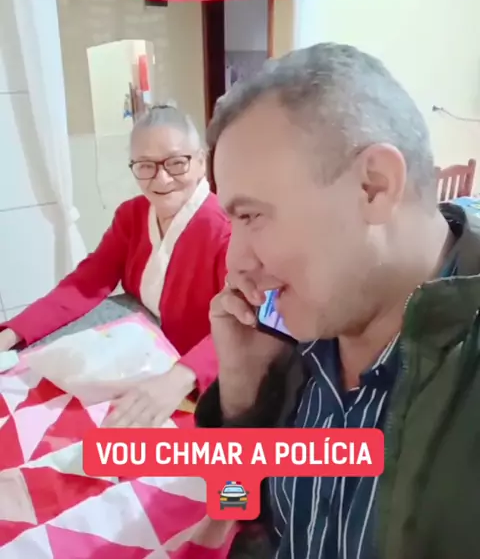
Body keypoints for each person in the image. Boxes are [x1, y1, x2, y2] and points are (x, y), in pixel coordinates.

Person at [195, 43, 480, 559]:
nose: (235, 263)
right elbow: (237, 507)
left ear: (374, 187)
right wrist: (240, 395)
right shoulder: (301, 338)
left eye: (253, 216)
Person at [0, 104, 230, 426]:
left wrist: (182, 375)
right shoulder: (132, 216)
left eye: (177, 162)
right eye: (146, 165)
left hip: (207, 377)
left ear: (202, 161)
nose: (162, 178)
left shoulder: (225, 229)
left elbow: (242, 323)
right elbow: (86, 284)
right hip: (145, 361)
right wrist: (12, 334)